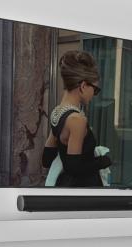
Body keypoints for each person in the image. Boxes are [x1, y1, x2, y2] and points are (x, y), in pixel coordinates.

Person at [42, 50, 112, 188]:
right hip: (83, 189)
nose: (94, 94)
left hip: (65, 187)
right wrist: (103, 161)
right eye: (95, 90)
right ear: (83, 86)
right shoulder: (77, 120)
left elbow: (46, 159)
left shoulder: (57, 113)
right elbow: (73, 168)